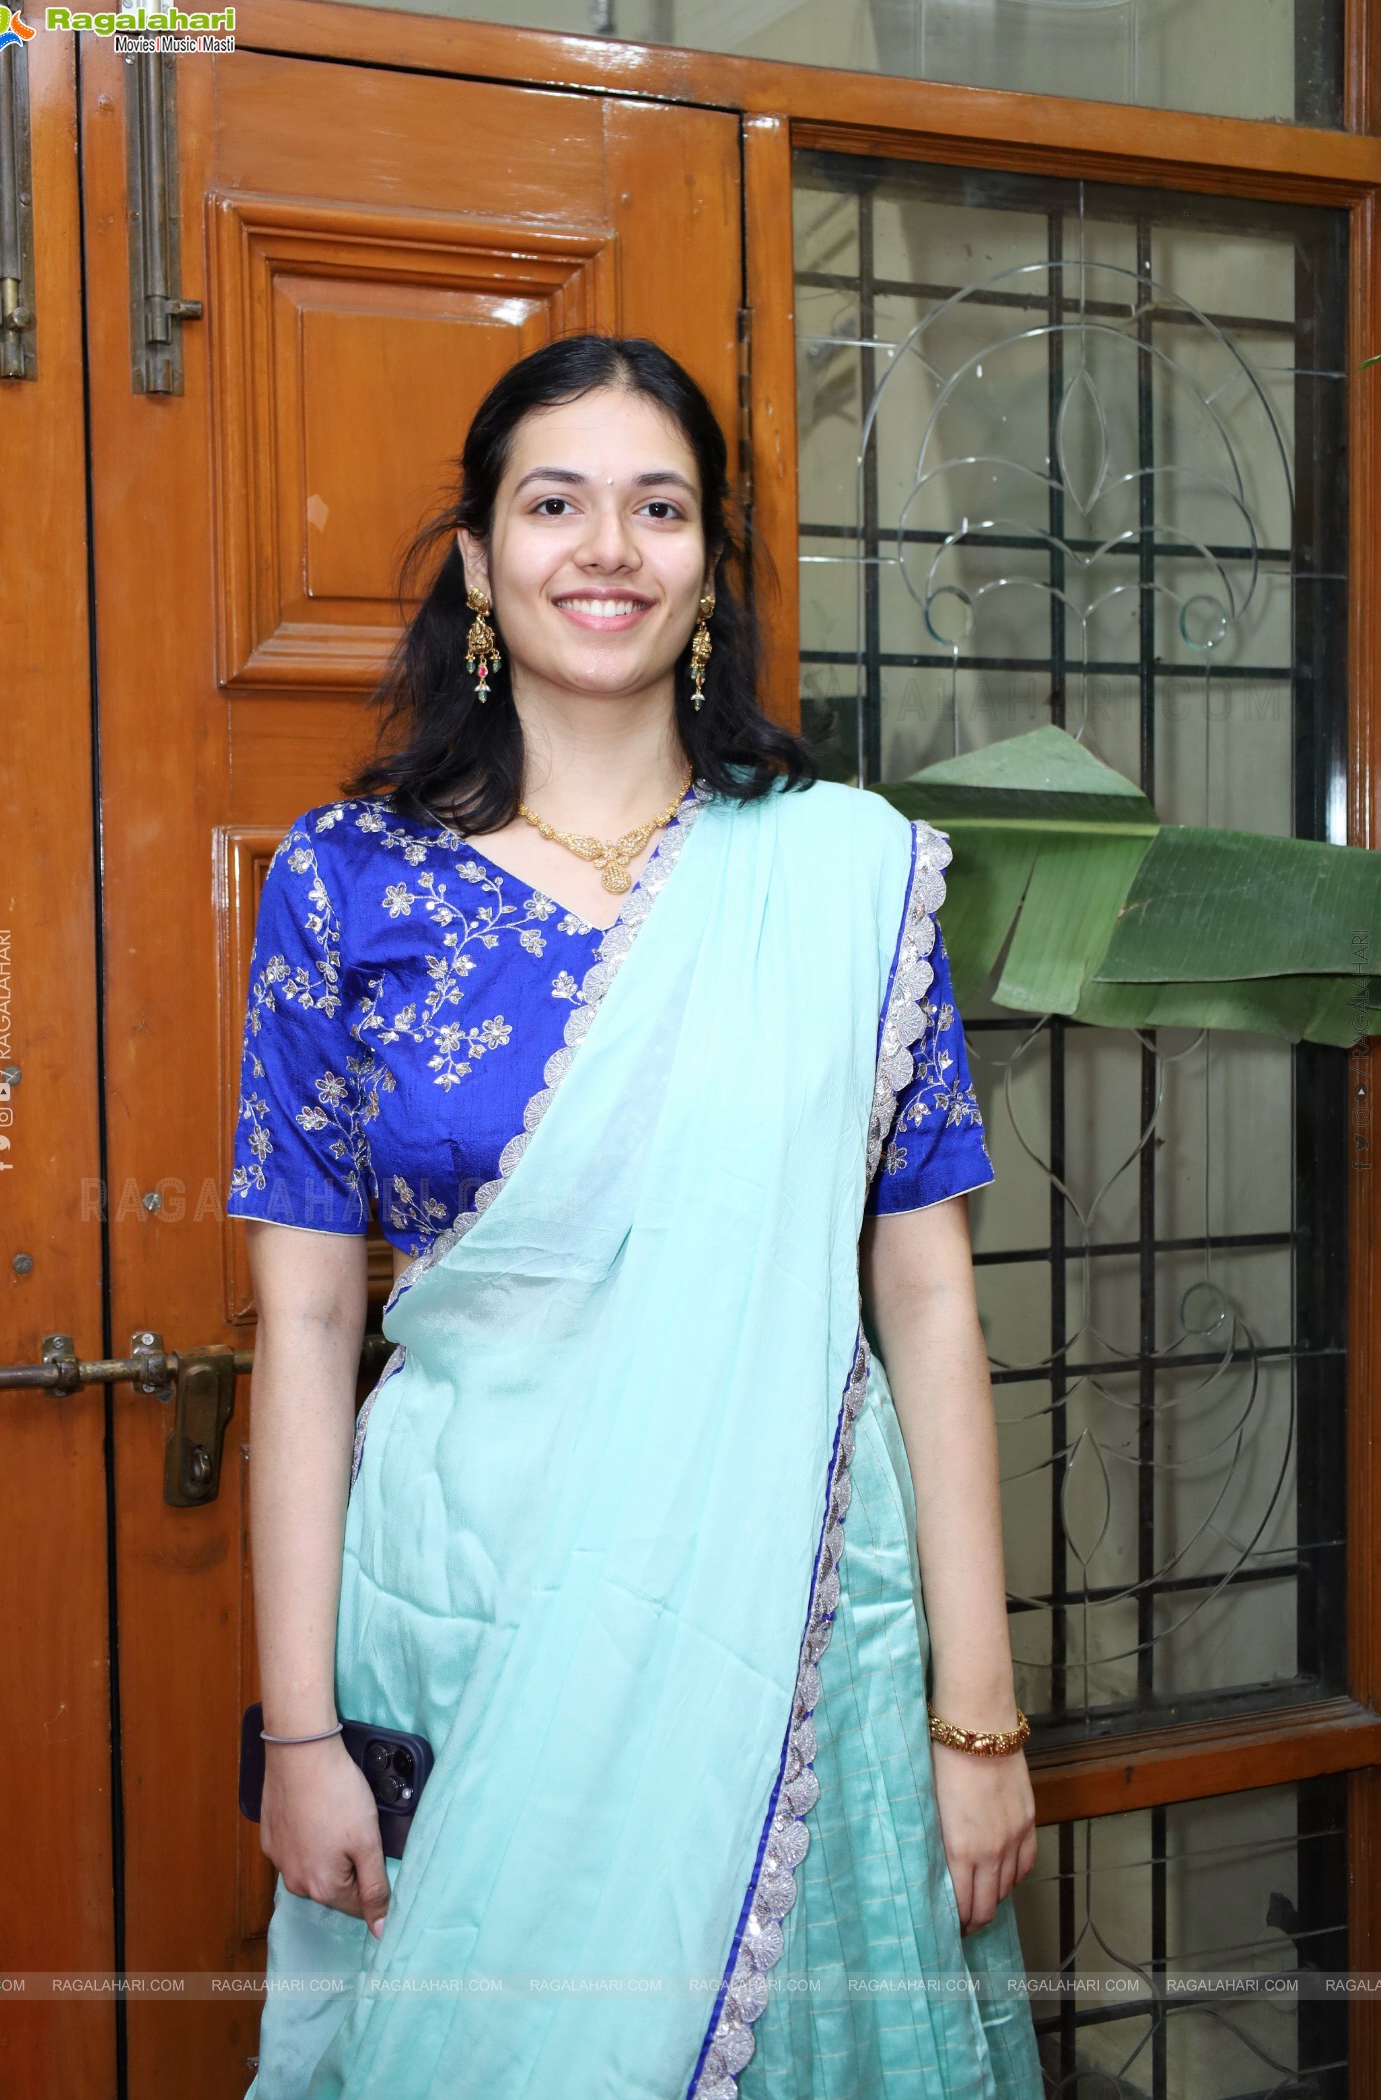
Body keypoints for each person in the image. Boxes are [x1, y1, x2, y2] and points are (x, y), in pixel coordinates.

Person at [227, 333, 1043, 2099]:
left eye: (658, 507)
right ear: (477, 558)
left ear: (708, 566)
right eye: (555, 502)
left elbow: (928, 1308)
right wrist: (298, 1730)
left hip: (798, 1639)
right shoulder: (345, 881)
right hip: (464, 1612)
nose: (608, 547)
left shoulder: (845, 875)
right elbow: (299, 1326)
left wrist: (976, 1716)